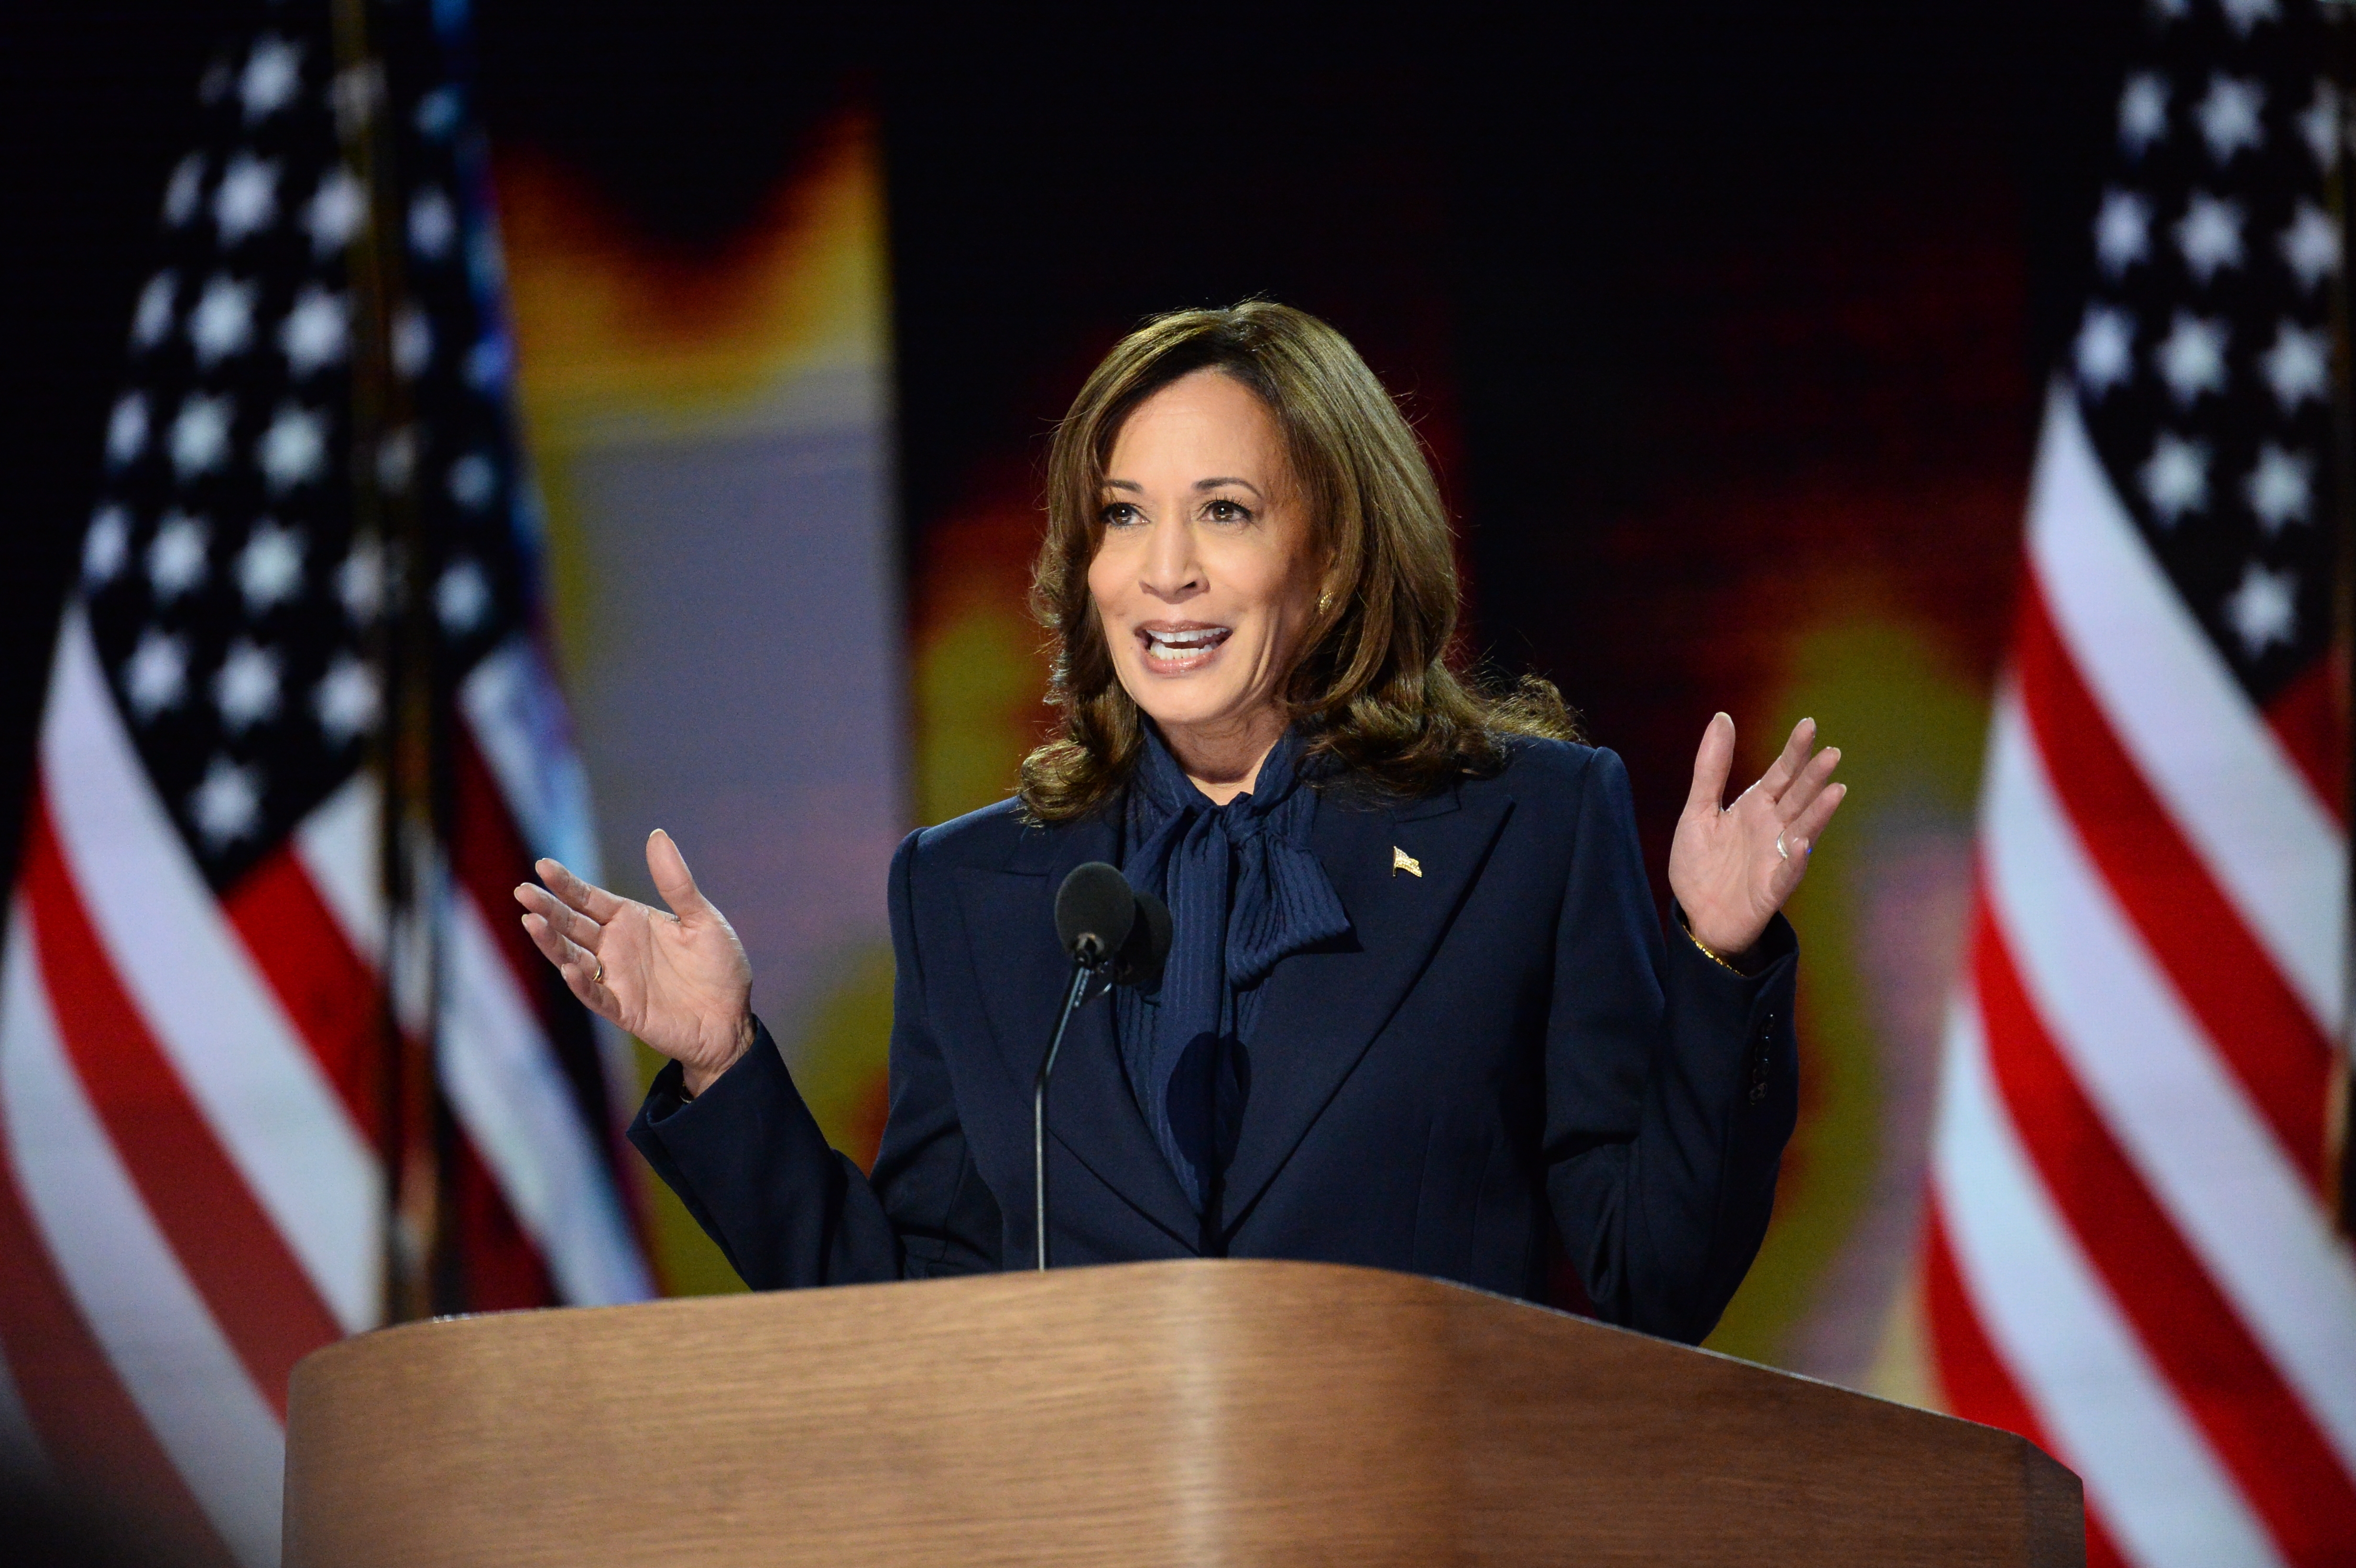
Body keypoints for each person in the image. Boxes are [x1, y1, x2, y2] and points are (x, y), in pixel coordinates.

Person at [516, 302, 1844, 1344]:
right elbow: (920, 1312)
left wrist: (1720, 962)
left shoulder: (1526, 830)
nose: (1167, 572)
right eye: (1123, 517)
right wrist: (723, 1066)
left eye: (1226, 512)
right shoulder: (971, 887)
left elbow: (1652, 1276)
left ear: (1329, 564)